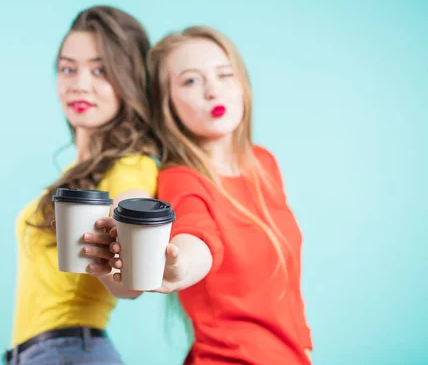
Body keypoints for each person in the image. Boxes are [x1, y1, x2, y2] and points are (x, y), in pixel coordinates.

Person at [98, 26, 313, 364]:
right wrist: (177, 266)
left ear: (242, 84)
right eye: (190, 81)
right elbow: (196, 233)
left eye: (225, 75)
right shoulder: (181, 178)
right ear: (166, 103)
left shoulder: (264, 164)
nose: (213, 90)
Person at [5, 5, 160, 365]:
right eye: (68, 68)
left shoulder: (129, 165)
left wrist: (111, 260)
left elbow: (133, 280)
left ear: (129, 80)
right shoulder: (81, 173)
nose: (80, 83)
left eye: (100, 70)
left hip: (68, 353)